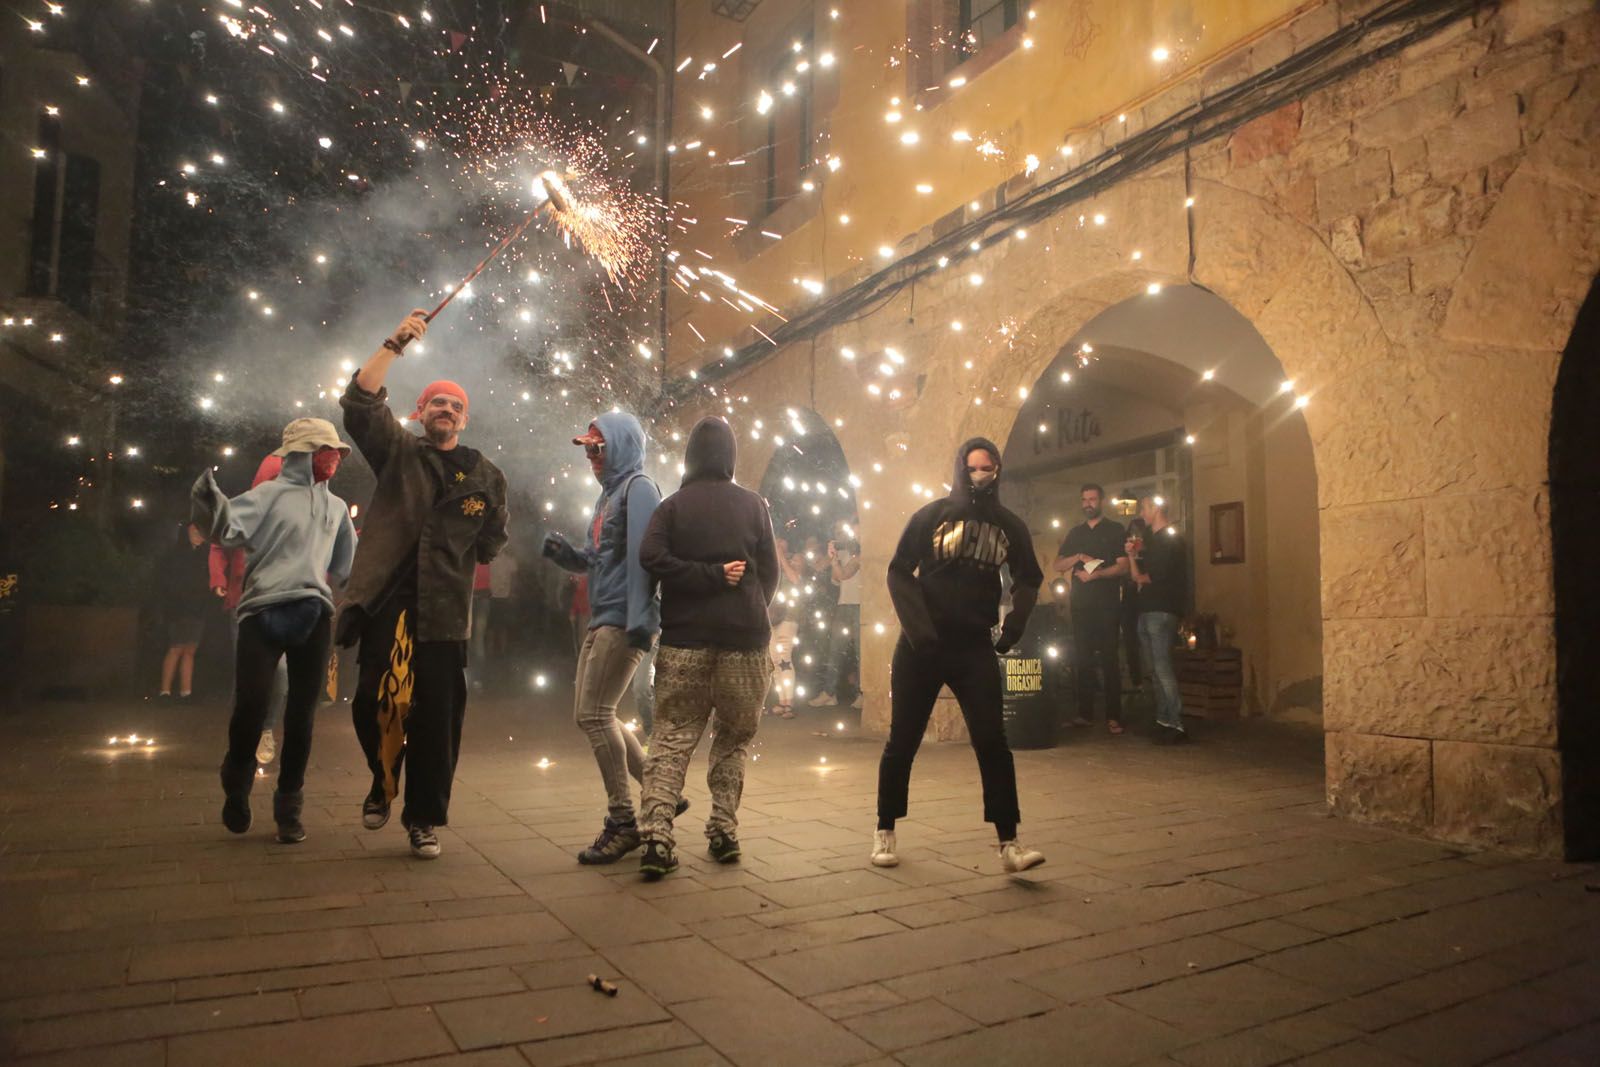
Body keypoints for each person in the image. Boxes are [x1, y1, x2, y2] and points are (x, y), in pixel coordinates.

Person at [339, 309, 510, 860]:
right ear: (421, 411)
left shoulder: (485, 475)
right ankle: (383, 778)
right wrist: (394, 343)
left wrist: (457, 558)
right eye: (439, 401)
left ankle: (423, 818)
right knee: (373, 702)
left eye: (457, 405)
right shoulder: (399, 452)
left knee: (438, 717)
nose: (448, 409)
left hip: (444, 611)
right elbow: (360, 403)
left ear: (465, 419)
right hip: (391, 602)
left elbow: (492, 538)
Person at [873, 438, 1046, 873]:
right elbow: (898, 571)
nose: (980, 475)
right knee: (903, 740)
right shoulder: (932, 515)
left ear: (998, 470)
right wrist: (920, 632)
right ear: (960, 469)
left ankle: (1010, 841)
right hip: (922, 647)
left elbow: (1029, 577)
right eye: (973, 468)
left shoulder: (1008, 525)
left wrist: (1014, 627)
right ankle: (885, 829)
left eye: (988, 468)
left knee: (992, 741)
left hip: (973, 646)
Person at [192, 418, 356, 843]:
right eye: (325, 449)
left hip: (314, 613)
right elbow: (224, 529)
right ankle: (237, 783)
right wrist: (206, 501)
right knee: (251, 705)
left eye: (336, 450)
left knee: (302, 717)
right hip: (261, 611)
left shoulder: (336, 507)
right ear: (301, 452)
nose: (333, 457)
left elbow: (345, 565)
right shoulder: (266, 497)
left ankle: (289, 808)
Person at [635, 416, 779, 878]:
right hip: (745, 643)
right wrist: (747, 605)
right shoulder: (755, 506)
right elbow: (770, 573)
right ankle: (723, 830)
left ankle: (656, 837)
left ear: (690, 456)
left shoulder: (672, 507)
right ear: (730, 456)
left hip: (684, 641)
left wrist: (695, 579)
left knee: (671, 739)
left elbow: (650, 557)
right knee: (734, 739)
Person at [542, 411, 674, 866]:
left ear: (620, 446)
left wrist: (640, 616)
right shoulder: (608, 496)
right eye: (587, 450)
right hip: (607, 616)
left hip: (623, 620)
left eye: (598, 448)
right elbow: (601, 561)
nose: (592, 458)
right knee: (598, 713)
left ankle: (623, 821)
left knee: (594, 715)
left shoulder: (638, 488)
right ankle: (660, 794)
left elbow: (646, 559)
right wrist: (569, 557)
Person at [210, 453, 286, 764]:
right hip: (244, 603)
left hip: (285, 603)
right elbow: (218, 543)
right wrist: (219, 576)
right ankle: (241, 738)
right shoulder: (245, 507)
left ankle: (265, 728)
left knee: (280, 672)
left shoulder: (299, 509)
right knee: (247, 674)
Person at [1054, 484, 1129, 734]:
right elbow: (1057, 565)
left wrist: (1098, 576)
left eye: (1092, 499)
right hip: (1081, 606)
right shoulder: (1075, 533)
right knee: (1083, 659)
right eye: (1084, 499)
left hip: (1107, 606)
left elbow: (1123, 566)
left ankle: (1114, 716)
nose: (1088, 503)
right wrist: (1077, 557)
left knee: (1109, 659)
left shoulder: (1116, 530)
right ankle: (1084, 713)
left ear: (1102, 501)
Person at [1127, 496, 1189, 743]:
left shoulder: (1169, 540)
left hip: (1161, 610)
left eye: (1144, 508)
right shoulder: (1152, 541)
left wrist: (1132, 560)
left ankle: (1176, 723)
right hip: (1147, 609)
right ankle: (1163, 719)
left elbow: (1145, 578)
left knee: (1162, 667)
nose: (1141, 513)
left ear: (1156, 509)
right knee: (1154, 667)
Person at [154, 521, 213, 701]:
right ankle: (165, 691)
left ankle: (186, 692)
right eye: (194, 531)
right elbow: (167, 582)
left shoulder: (205, 554)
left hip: (198, 608)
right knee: (176, 648)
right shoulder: (176, 554)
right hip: (178, 609)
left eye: (201, 531)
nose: (198, 535)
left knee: (190, 649)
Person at [808, 522, 862, 709]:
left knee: (861, 653)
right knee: (835, 650)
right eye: (836, 532)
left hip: (861, 605)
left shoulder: (862, 553)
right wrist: (832, 557)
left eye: (843, 531)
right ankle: (829, 693)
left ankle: (863, 693)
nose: (840, 535)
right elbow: (836, 578)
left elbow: (845, 574)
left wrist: (835, 561)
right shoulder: (842, 554)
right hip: (844, 604)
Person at [767, 535, 803, 718]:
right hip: (771, 616)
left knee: (785, 658)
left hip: (789, 615)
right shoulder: (768, 560)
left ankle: (789, 702)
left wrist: (781, 557)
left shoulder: (796, 558)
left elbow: (795, 579)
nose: (779, 544)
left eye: (782, 541)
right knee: (774, 659)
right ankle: (782, 700)